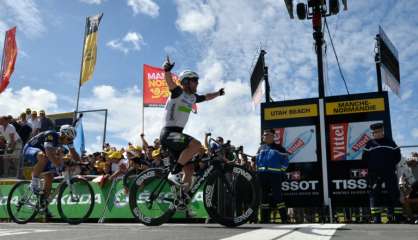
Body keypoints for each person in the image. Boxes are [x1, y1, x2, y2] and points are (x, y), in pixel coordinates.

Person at [160, 56, 225, 190]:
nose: (197, 83)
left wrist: (218, 93)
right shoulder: (178, 92)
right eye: (195, 81)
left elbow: (206, 97)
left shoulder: (192, 98)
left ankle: (182, 202)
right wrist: (166, 70)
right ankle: (174, 173)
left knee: (189, 170)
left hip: (177, 135)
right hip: (168, 133)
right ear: (186, 82)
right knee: (196, 144)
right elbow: (169, 82)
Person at [23, 124, 80, 196]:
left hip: (44, 155)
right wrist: (58, 165)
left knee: (49, 177)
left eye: (71, 140)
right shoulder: (51, 135)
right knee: (42, 157)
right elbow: (48, 153)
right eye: (68, 139)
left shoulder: (69, 141)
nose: (69, 142)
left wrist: (81, 163)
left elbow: (74, 153)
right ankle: (34, 182)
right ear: (62, 134)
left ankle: (43, 204)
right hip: (30, 149)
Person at [362, 122, 402, 223]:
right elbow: (364, 158)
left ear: (382, 131)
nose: (376, 134)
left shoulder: (391, 142)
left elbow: (398, 156)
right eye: (374, 132)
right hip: (374, 174)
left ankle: (398, 217)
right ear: (372, 133)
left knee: (394, 194)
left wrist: (389, 166)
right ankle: (376, 219)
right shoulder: (370, 144)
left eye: (378, 131)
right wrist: (372, 168)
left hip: (389, 172)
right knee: (374, 195)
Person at [256, 129, 289, 223]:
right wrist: (258, 171)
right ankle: (264, 220)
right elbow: (257, 162)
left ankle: (284, 219)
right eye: (264, 135)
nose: (264, 136)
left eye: (266, 134)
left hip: (275, 176)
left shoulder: (279, 148)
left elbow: (285, 162)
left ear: (273, 136)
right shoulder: (260, 148)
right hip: (262, 176)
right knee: (263, 199)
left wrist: (281, 171)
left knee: (278, 198)